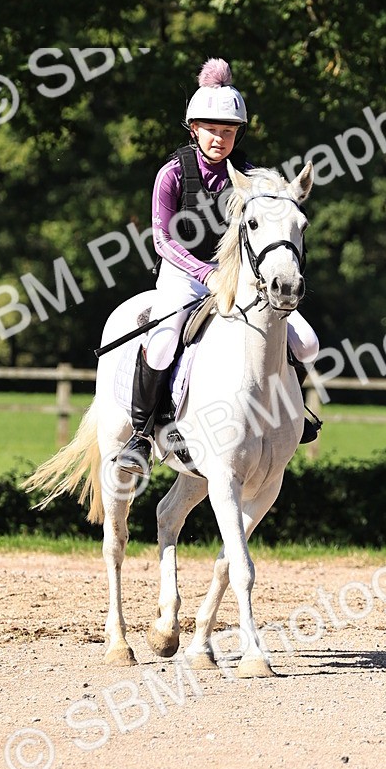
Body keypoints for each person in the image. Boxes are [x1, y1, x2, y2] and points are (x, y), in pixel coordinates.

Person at [115, 58, 320, 477]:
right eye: (211, 130)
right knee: (163, 342)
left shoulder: (251, 177)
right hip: (185, 277)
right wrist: (205, 273)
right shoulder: (172, 174)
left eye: (228, 131)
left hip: (240, 282)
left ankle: (289, 413)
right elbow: (162, 240)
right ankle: (141, 435)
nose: (219, 139)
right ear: (194, 129)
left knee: (307, 343)